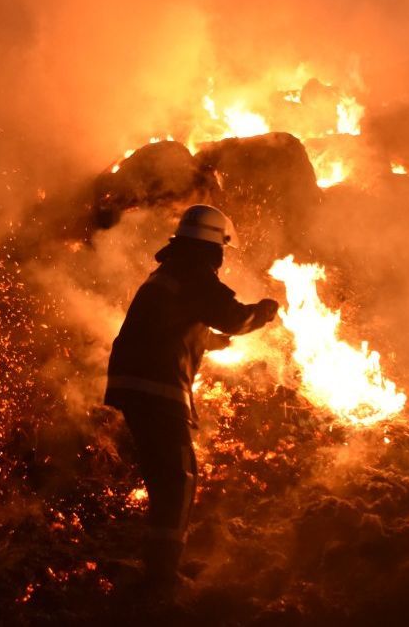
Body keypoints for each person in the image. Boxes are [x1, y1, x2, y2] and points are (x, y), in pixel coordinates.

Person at [105, 204, 279, 594]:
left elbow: (170, 324)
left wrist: (206, 341)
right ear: (214, 246)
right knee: (177, 481)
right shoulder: (195, 274)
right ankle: (161, 579)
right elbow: (234, 317)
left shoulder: (169, 273)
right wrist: (263, 312)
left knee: (164, 479)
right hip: (159, 390)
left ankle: (155, 569)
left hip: (135, 385)